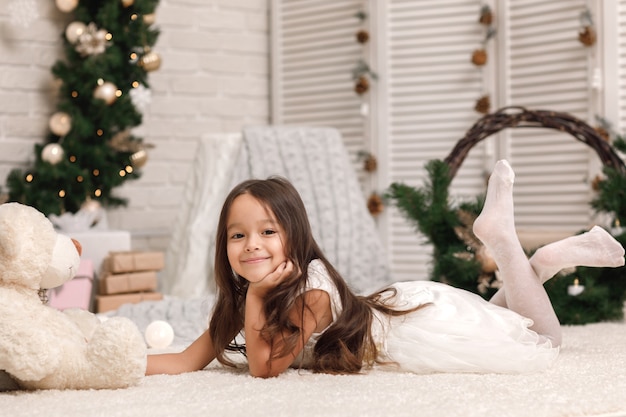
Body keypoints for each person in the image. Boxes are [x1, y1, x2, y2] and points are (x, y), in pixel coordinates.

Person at [146, 160, 625, 377]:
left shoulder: (309, 292)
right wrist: (116, 365)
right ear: (222, 244)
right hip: (404, 307)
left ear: (294, 236)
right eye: (238, 235)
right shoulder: (246, 294)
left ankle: (508, 244)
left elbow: (265, 368)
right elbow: (187, 360)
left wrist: (253, 298)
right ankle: (537, 264)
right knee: (498, 318)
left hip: (410, 329)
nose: (252, 245)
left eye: (268, 232)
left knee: (545, 343)